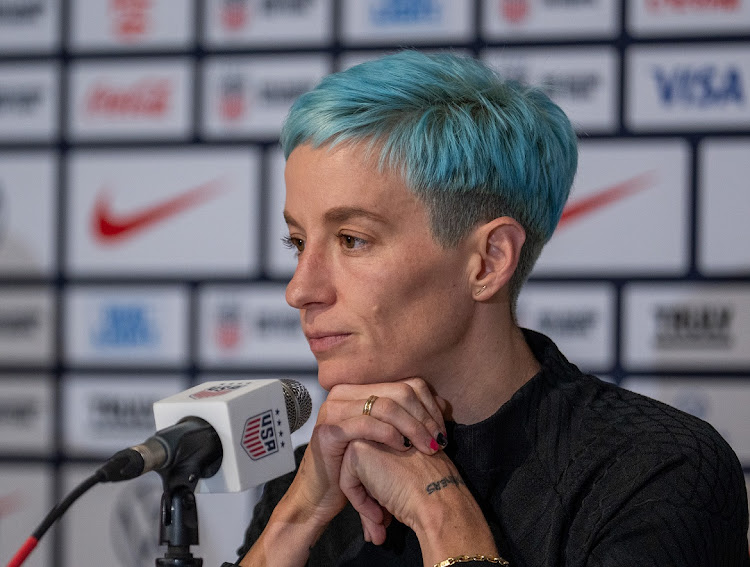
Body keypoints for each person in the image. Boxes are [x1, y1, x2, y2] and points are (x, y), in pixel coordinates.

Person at [223, 51, 749, 567]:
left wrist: (441, 514)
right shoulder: (311, 475)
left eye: (352, 240)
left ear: (488, 261)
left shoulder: (657, 471)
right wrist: (296, 518)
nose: (299, 289)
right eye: (297, 242)